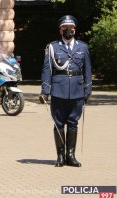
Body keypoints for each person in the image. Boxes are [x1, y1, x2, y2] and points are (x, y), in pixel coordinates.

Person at [39, 15, 92, 167]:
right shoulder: (53, 48)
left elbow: (87, 69)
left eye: (71, 28)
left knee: (73, 123)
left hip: (77, 89)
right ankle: (60, 156)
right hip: (58, 90)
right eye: (65, 28)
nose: (68, 30)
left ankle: (71, 155)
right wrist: (45, 91)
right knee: (59, 123)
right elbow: (47, 70)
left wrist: (88, 88)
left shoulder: (83, 47)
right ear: (60, 30)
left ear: (75, 30)